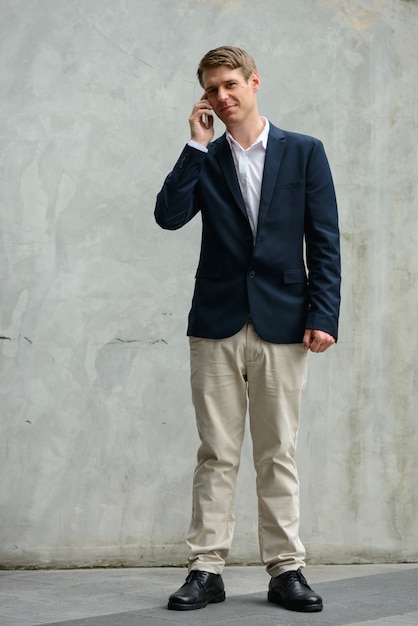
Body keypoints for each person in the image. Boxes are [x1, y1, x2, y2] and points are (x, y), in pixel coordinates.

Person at [155, 46, 340, 614]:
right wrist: (194, 146)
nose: (223, 97)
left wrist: (323, 315)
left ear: (255, 82)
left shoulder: (304, 152)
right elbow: (168, 215)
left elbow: (325, 238)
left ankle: (286, 569)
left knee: (277, 450)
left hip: (284, 321)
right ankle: (205, 569)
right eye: (212, 89)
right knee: (216, 452)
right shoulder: (205, 157)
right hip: (216, 322)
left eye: (231, 84)